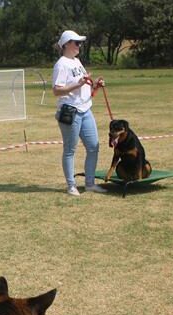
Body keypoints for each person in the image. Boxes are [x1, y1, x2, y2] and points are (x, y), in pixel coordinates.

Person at [52, 30, 107, 196]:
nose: (79, 46)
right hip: (70, 111)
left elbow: (83, 84)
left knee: (93, 147)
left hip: (85, 109)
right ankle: (71, 186)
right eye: (76, 42)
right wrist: (78, 84)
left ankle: (89, 184)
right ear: (67, 44)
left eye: (80, 43)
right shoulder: (61, 64)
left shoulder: (76, 61)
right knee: (70, 150)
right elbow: (56, 90)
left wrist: (95, 84)